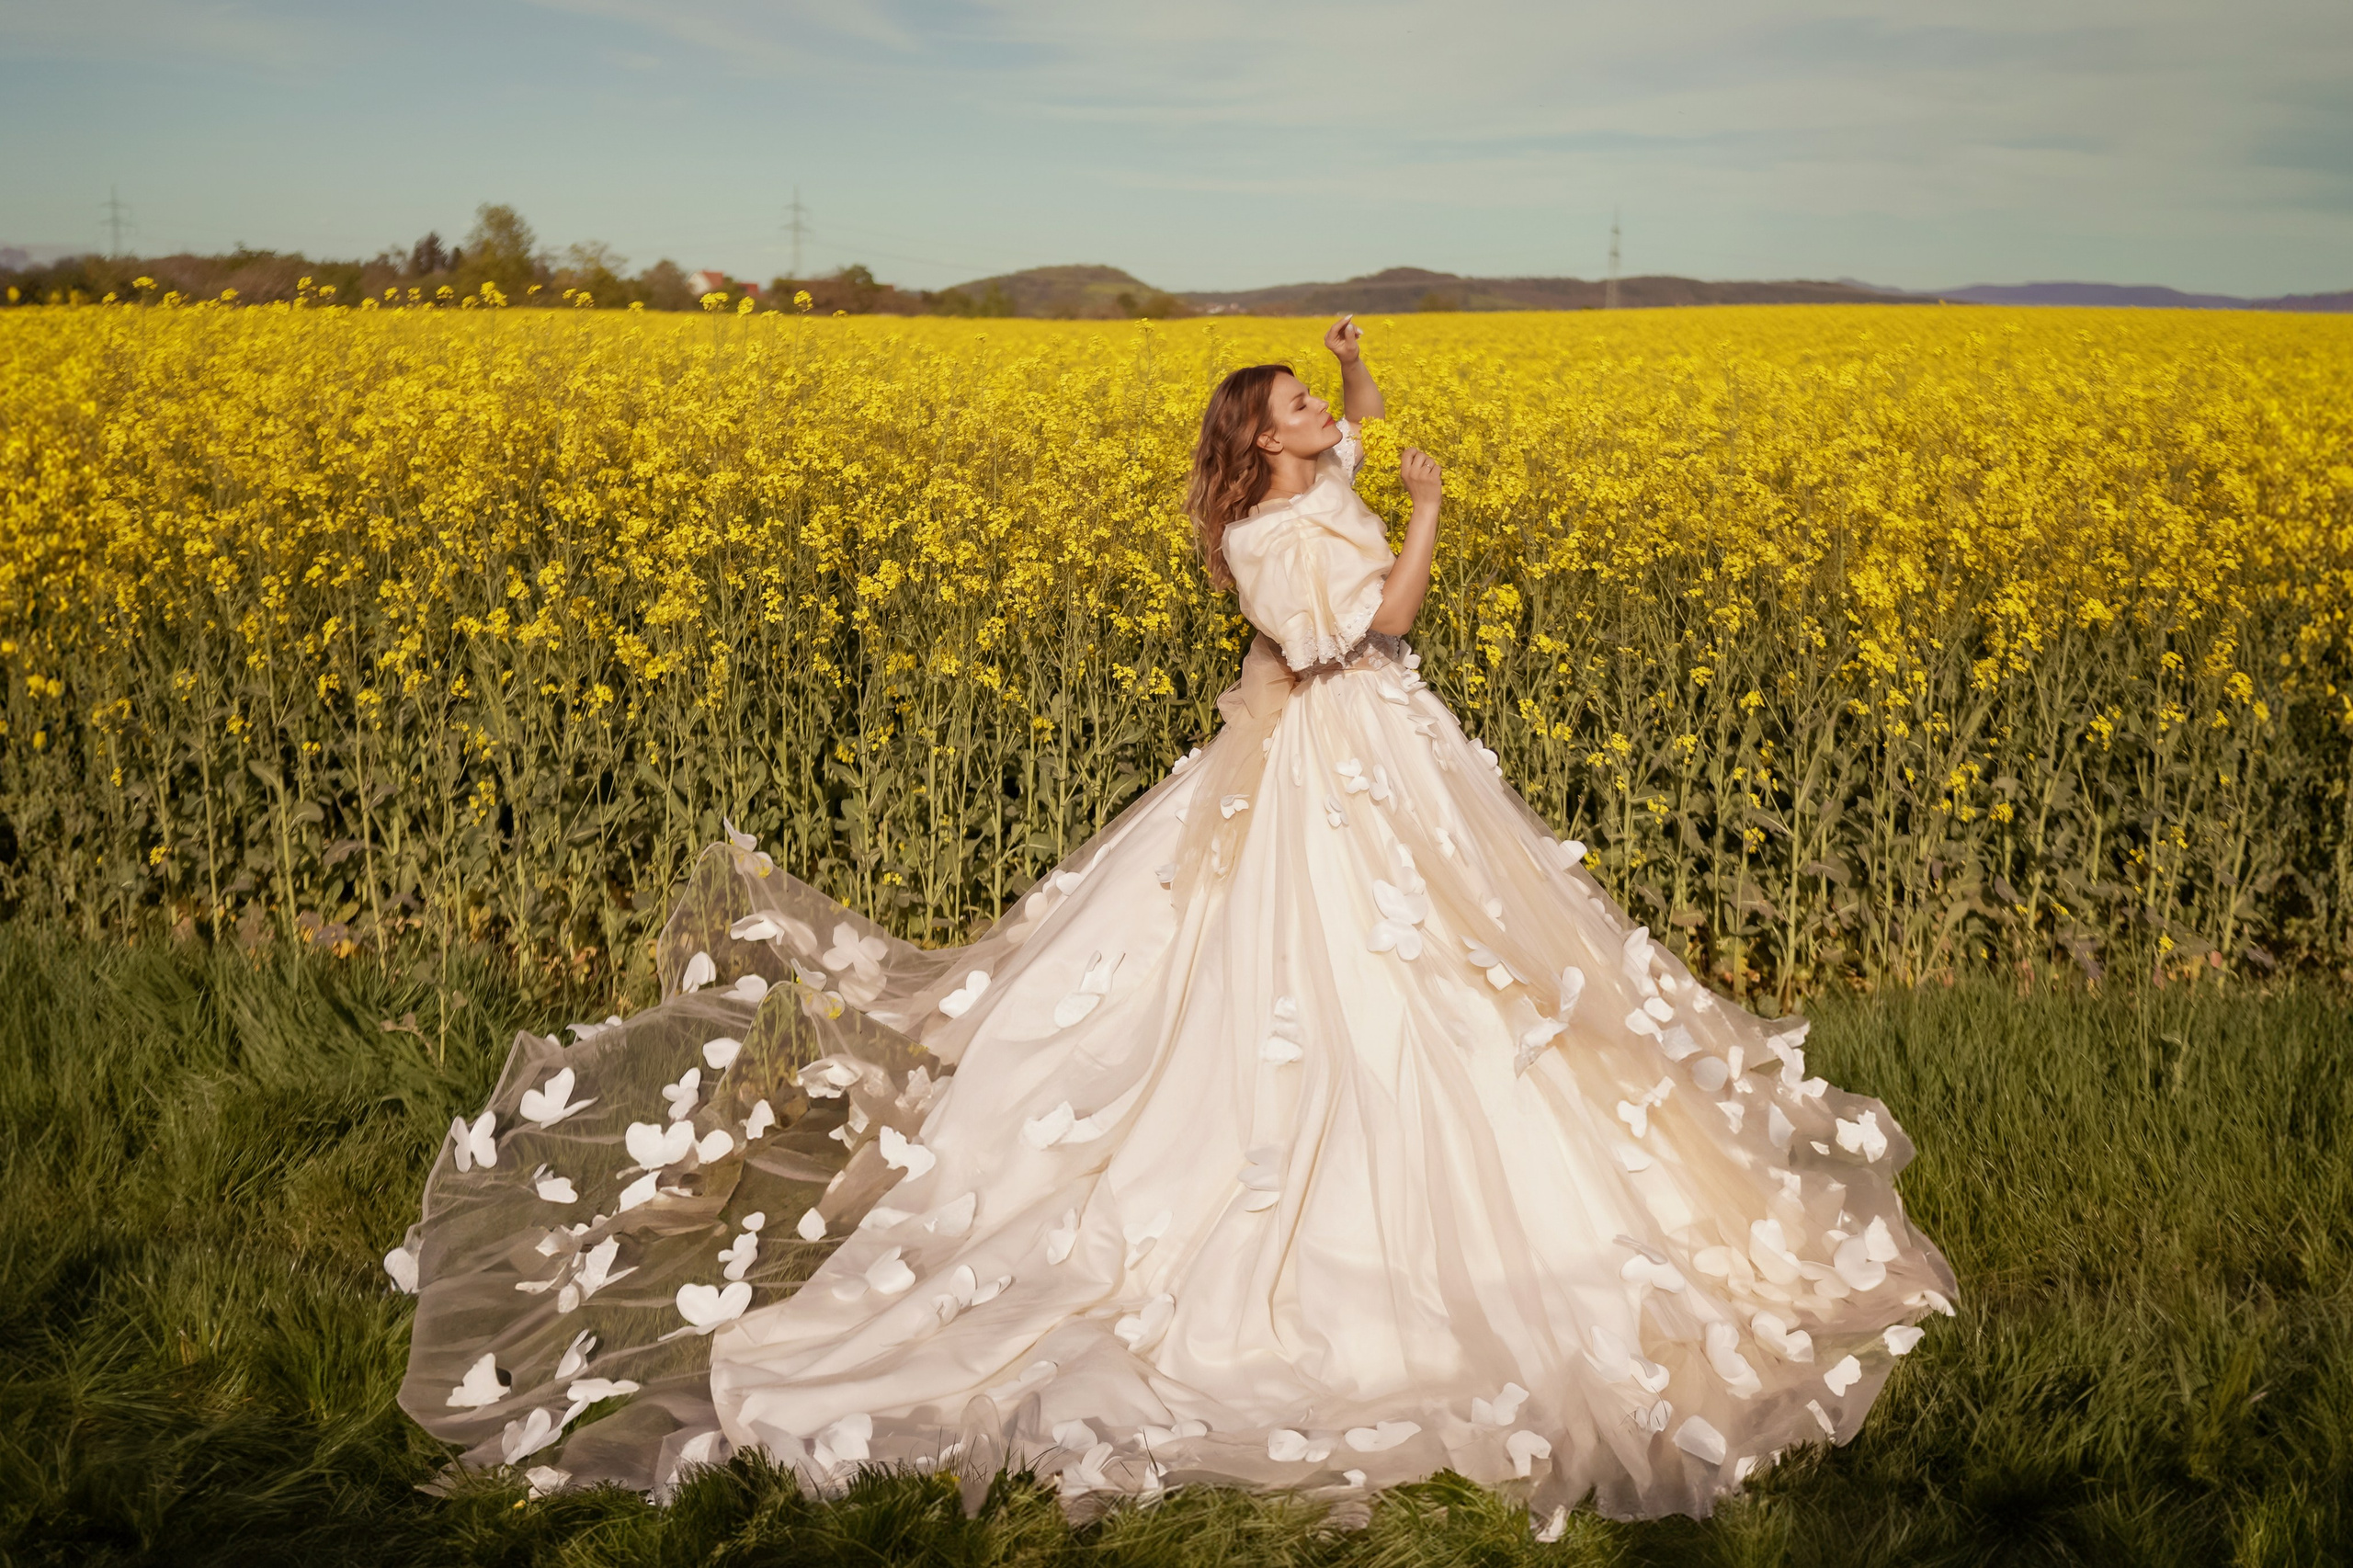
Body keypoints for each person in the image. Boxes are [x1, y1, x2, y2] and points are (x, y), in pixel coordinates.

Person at [392, 316, 1955, 1528]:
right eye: (1300, 409)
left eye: (1321, 405)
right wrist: (1429, 513)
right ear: (1259, 448)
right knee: (1342, 991)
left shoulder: (1313, 478)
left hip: (1393, 763)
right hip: (1339, 759)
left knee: (1470, 979)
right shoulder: (1264, 541)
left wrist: (1356, 371)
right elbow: (1380, 620)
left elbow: (1365, 449)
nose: (1328, 421)